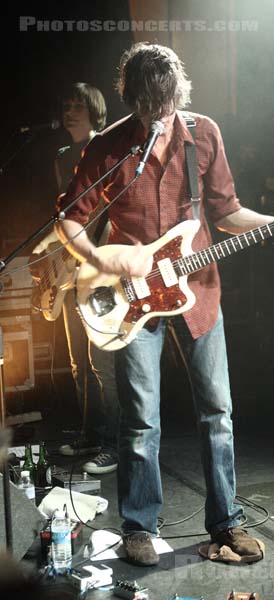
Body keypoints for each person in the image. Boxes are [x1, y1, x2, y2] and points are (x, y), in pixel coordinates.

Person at [55, 43, 274, 567]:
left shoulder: (204, 135)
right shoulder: (108, 148)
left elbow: (227, 212)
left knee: (217, 412)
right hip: (133, 304)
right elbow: (66, 219)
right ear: (132, 101)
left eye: (168, 106)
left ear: (180, 95)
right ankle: (138, 526)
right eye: (150, 110)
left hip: (198, 291)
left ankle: (226, 522)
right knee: (140, 419)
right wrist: (103, 256)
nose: (161, 118)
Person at [31, 83, 119, 474]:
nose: (69, 111)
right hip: (68, 268)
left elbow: (107, 211)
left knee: (102, 361)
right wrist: (48, 253)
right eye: (65, 105)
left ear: (95, 110)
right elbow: (66, 215)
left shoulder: (107, 148)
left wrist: (94, 258)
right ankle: (92, 433)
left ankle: (115, 443)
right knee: (77, 362)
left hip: (99, 267)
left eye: (77, 105)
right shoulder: (63, 156)